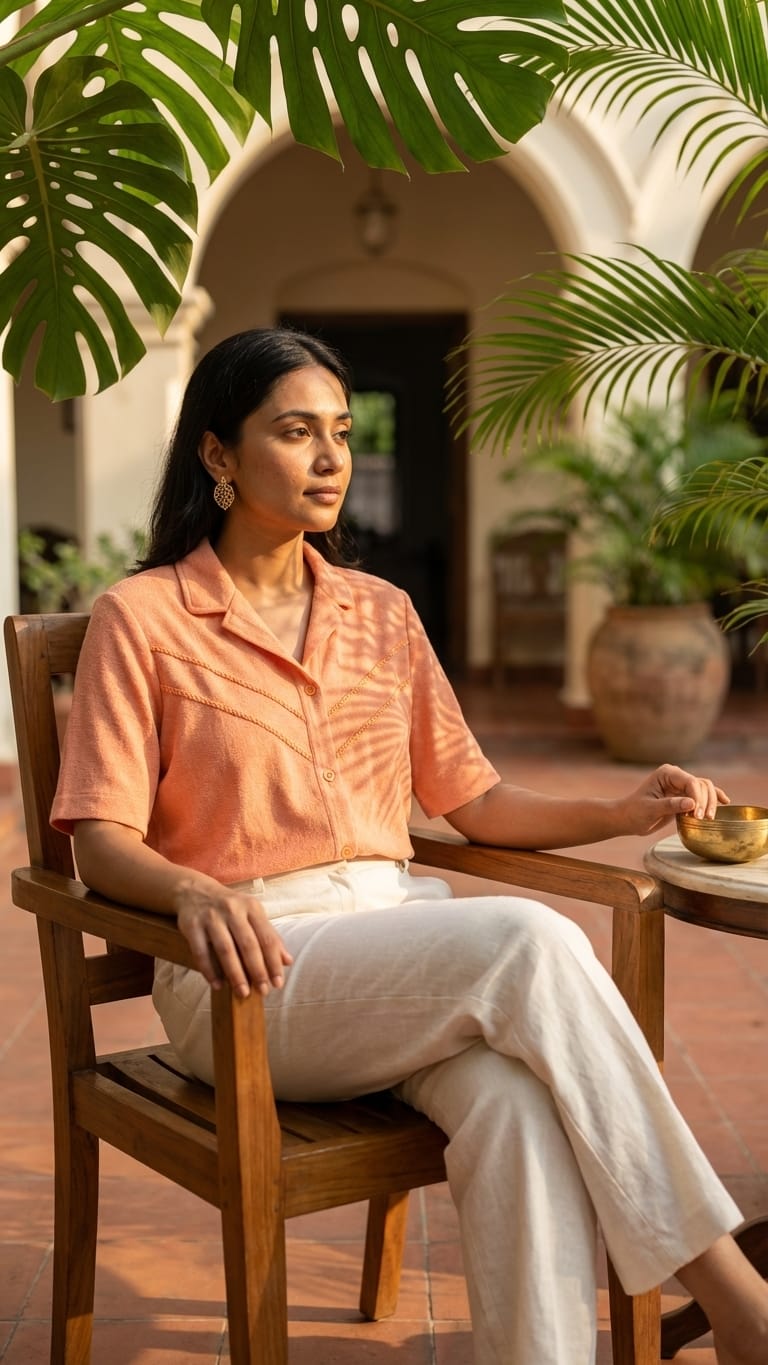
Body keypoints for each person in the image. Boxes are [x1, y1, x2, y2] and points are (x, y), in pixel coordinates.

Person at [51, 327, 768, 1365]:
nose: (331, 457)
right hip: (246, 973)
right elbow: (101, 839)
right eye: (296, 433)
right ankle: (735, 1300)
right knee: (527, 941)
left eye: (341, 432)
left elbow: (473, 800)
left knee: (518, 1106)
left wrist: (620, 811)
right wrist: (191, 895)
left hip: (401, 950)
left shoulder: (380, 615)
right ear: (217, 456)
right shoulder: (145, 618)